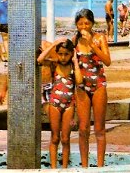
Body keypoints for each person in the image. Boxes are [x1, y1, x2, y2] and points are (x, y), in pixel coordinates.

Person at [72, 9, 111, 167]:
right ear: (76, 24)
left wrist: (92, 46)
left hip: (98, 85)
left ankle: (100, 166)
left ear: (92, 24)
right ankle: (84, 166)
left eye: (87, 23)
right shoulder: (74, 40)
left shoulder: (99, 38)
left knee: (100, 128)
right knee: (83, 129)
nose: (84, 26)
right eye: (80, 23)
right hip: (82, 87)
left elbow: (107, 61)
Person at [37, 38, 82, 169]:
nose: (63, 57)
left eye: (66, 54)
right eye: (60, 54)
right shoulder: (54, 65)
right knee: (55, 138)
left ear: (71, 54)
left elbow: (79, 82)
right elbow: (40, 60)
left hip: (69, 106)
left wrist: (75, 61)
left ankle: (64, 168)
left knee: (66, 139)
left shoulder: (73, 67)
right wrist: (53, 46)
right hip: (54, 105)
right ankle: (53, 168)